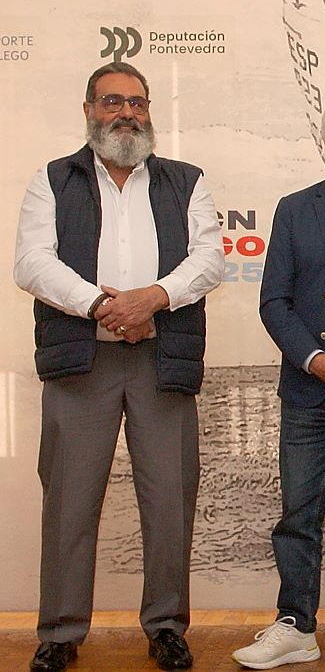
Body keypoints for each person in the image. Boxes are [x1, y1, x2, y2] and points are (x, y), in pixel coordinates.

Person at [14, 61, 224, 672]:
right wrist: (103, 305)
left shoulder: (188, 180)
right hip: (83, 362)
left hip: (163, 359)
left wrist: (152, 298)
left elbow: (209, 259)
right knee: (70, 501)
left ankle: (165, 626)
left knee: (169, 499)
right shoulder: (52, 180)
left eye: (137, 102)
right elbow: (32, 262)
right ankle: (60, 631)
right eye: (112, 101)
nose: (127, 113)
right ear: (88, 111)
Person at [231, 94, 325, 669]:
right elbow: (273, 301)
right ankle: (295, 625)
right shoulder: (294, 209)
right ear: (324, 145)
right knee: (300, 509)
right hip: (309, 384)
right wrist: (315, 360)